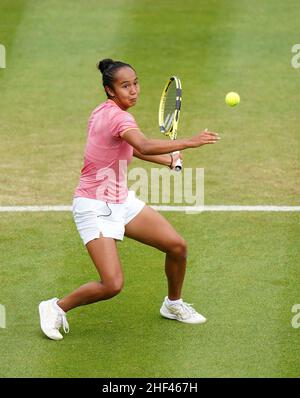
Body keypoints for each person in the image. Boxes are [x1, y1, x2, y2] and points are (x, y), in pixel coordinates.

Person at [38, 58, 220, 340]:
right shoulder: (119, 117)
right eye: (125, 86)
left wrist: (167, 161)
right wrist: (188, 142)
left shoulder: (102, 112)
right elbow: (143, 144)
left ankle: (173, 304)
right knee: (112, 284)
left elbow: (131, 149)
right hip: (94, 206)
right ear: (111, 91)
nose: (133, 90)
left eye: (135, 83)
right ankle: (55, 307)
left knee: (177, 246)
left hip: (121, 200)